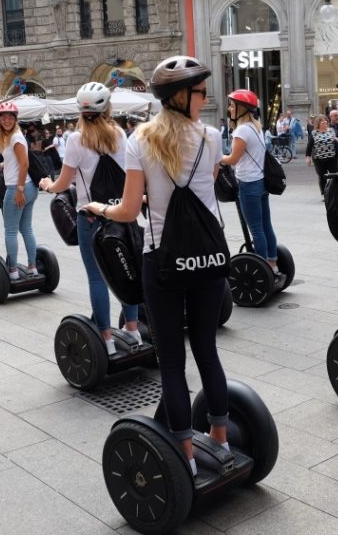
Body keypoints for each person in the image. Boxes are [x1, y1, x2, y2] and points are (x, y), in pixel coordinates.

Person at [83, 55, 230, 477]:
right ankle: (220, 442)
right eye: (201, 92)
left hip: (163, 261)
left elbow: (129, 211)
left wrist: (99, 207)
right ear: (182, 96)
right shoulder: (213, 137)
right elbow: (201, 189)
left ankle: (183, 454)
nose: (205, 98)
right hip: (208, 257)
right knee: (207, 351)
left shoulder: (138, 141)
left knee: (171, 362)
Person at [39, 82, 142, 356]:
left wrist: (47, 184)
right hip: (121, 214)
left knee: (97, 279)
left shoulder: (75, 139)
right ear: (107, 107)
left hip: (91, 218)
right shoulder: (120, 134)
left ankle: (106, 339)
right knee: (128, 273)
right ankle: (133, 330)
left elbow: (63, 184)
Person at [221, 89, 280, 274]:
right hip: (261, 182)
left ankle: (262, 267)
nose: (229, 108)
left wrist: (217, 156)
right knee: (265, 225)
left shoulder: (241, 131)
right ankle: (272, 262)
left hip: (248, 184)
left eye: (232, 105)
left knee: (256, 229)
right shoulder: (256, 127)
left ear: (241, 108)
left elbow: (233, 160)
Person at [0, 100, 39, 280]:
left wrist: (19, 189)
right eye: (3, 117)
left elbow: (25, 163)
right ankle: (33, 267)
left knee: (10, 231)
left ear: (15, 119)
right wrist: (6, 163)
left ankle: (12, 271)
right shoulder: (15, 137)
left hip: (18, 188)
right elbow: (19, 159)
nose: (6, 120)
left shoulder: (15, 137)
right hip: (28, 187)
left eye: (10, 117)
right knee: (26, 229)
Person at [305, 114, 338, 195]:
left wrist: (337, 139)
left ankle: (337, 191)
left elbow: (336, 140)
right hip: (319, 159)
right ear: (318, 124)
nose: (325, 124)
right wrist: (308, 157)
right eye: (323, 123)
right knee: (322, 176)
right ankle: (324, 193)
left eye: (326, 122)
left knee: (335, 175)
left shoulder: (331, 130)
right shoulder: (314, 133)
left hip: (332, 157)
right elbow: (309, 145)